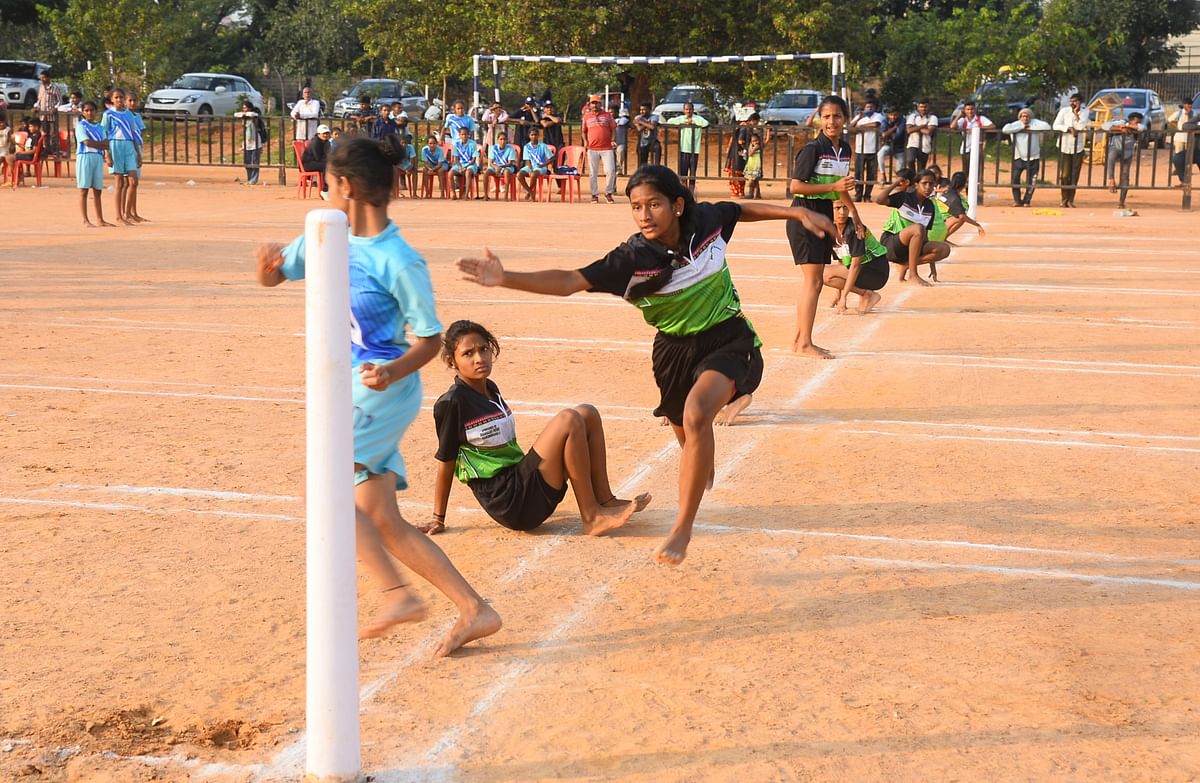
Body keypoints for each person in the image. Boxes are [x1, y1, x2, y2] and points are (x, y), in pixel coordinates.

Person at [455, 165, 835, 565]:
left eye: (653, 204)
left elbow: (738, 209)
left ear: (677, 204)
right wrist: (505, 277)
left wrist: (797, 213)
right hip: (672, 352)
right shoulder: (631, 259)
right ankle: (697, 454)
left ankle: (682, 529)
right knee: (684, 425)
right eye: (636, 207)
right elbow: (569, 280)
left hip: (728, 337)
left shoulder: (706, 221)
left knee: (696, 415)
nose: (644, 215)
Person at [254, 135, 502, 655]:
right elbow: (276, 278)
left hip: (383, 388)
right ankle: (474, 608)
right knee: (380, 515)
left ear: (345, 186)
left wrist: (390, 373)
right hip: (349, 388)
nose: (324, 194)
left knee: (327, 490)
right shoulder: (327, 237)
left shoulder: (398, 259)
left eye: (326, 185)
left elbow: (430, 338)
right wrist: (267, 268)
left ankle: (397, 595)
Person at [428, 320, 652, 536]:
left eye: (484, 349)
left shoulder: (489, 388)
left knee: (588, 413)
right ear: (451, 361)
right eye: (468, 353)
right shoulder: (452, 403)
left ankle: (605, 499)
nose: (479, 358)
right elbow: (446, 463)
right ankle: (591, 516)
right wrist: (439, 517)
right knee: (569, 419)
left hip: (521, 480)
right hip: (508, 500)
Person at [786, 94, 868, 359]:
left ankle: (800, 339)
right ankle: (804, 344)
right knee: (813, 282)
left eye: (837, 116)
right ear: (820, 119)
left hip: (823, 215)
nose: (832, 121)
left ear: (845, 119)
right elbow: (796, 186)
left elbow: (839, 186)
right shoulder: (813, 149)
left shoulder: (844, 149)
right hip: (804, 215)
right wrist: (833, 187)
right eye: (827, 116)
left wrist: (854, 214)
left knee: (816, 282)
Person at [873, 167, 951, 285]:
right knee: (917, 228)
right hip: (891, 245)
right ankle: (913, 275)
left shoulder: (930, 206)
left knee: (944, 249)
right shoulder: (905, 197)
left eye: (931, 184)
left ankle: (906, 265)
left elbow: (925, 237)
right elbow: (879, 200)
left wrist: (932, 264)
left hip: (910, 247)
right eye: (924, 183)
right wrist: (895, 183)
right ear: (916, 184)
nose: (928, 187)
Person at [823, 202, 888, 314]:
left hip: (876, 272)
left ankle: (866, 294)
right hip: (863, 270)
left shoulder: (855, 229)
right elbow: (842, 261)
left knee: (823, 273)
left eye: (845, 208)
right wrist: (838, 294)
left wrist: (844, 297)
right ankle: (866, 294)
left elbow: (855, 266)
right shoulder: (832, 230)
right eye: (837, 208)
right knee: (827, 278)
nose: (842, 212)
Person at [101, 88, 141, 225]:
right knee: (119, 182)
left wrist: (138, 153)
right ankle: (119, 216)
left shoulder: (129, 115)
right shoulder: (108, 115)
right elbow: (104, 134)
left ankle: (127, 213)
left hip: (129, 146)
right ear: (112, 99)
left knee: (133, 181)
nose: (119, 100)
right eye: (116, 97)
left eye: (121, 97)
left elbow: (133, 134)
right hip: (115, 146)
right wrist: (107, 154)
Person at [1002, 108, 1051, 206]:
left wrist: (1031, 129)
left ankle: (1027, 201)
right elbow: (1005, 129)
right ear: (1020, 117)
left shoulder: (1035, 123)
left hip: (1034, 157)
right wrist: (1021, 128)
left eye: (1027, 116)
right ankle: (1017, 200)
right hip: (1019, 156)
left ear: (1030, 117)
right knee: (1015, 179)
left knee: (1031, 181)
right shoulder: (1016, 124)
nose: (1025, 118)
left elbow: (1047, 127)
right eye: (1023, 116)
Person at [74, 101, 112, 227]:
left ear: (96, 111)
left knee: (97, 189)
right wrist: (101, 145)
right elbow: (87, 143)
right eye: (87, 111)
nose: (89, 113)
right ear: (83, 112)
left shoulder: (100, 127)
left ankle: (100, 219)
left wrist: (103, 148)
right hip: (85, 157)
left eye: (92, 110)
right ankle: (85, 220)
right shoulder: (81, 126)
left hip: (97, 157)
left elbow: (106, 143)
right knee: (84, 189)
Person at [1052, 93, 1089, 207]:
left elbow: (1081, 126)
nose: (1073, 103)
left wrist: (1076, 115)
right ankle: (1063, 199)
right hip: (1064, 146)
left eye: (1076, 101)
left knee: (1074, 175)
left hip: (1078, 147)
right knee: (1064, 175)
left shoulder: (1085, 111)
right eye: (1072, 101)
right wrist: (1067, 128)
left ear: (1080, 102)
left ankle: (1071, 200)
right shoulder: (1064, 111)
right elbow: (1056, 125)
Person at [665, 102, 709, 192]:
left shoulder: (697, 118)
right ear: (683, 110)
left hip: (694, 149)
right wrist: (684, 122)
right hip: (684, 148)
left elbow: (705, 123)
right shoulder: (681, 118)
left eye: (690, 109)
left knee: (692, 171)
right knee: (683, 171)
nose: (688, 111)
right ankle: (684, 189)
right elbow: (670, 121)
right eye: (686, 109)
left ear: (693, 110)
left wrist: (693, 121)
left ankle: (691, 190)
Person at [582, 94, 617, 203]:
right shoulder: (586, 117)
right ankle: (594, 194)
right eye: (593, 103)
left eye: (596, 103)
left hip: (607, 148)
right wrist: (585, 142)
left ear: (600, 104)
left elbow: (613, 129)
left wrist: (612, 140)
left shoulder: (607, 115)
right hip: (592, 148)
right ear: (590, 104)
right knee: (593, 173)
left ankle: (609, 192)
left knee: (611, 171)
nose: (595, 105)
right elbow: (583, 131)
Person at [1104, 112, 1143, 209]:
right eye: (1136, 121)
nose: (1137, 123)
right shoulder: (1120, 122)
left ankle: (1121, 201)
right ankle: (1111, 179)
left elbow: (1142, 128)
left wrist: (1127, 127)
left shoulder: (1137, 126)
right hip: (1115, 147)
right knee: (1111, 159)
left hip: (1127, 152)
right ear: (1133, 119)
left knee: (1125, 175)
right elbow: (1105, 126)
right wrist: (1120, 129)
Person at [849, 98, 884, 201]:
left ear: (875, 108)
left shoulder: (878, 116)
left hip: (873, 150)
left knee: (871, 174)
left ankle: (867, 195)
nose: (869, 109)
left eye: (871, 107)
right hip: (860, 150)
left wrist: (860, 127)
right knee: (858, 173)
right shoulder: (860, 118)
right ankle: (858, 195)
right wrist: (858, 118)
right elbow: (850, 128)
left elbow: (875, 124)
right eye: (867, 107)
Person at [952, 101, 994, 181]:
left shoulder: (980, 119)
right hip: (966, 148)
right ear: (964, 110)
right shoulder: (963, 121)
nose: (970, 111)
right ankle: (967, 188)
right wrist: (959, 115)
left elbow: (992, 126)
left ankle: (977, 189)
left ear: (975, 110)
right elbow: (953, 126)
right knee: (966, 171)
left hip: (978, 149)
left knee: (977, 171)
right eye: (967, 109)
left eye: (972, 109)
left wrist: (978, 129)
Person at [939, 171, 985, 241]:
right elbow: (962, 216)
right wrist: (977, 225)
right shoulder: (954, 197)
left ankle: (943, 238)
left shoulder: (949, 192)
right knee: (959, 218)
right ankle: (941, 239)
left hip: (937, 221)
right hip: (938, 225)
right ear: (964, 184)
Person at [125, 93, 148, 223]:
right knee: (129, 182)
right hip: (129, 147)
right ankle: (126, 212)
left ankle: (133, 211)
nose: (132, 103)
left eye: (134, 100)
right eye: (130, 100)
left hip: (138, 146)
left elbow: (139, 131)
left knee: (135, 182)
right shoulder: (125, 115)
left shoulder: (137, 116)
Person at [234, 99, 265, 186]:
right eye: (243, 108)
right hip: (247, 141)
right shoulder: (245, 119)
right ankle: (249, 178)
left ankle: (254, 179)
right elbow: (236, 114)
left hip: (255, 141)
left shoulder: (254, 116)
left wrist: (245, 114)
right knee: (247, 161)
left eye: (246, 108)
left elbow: (252, 114)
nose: (244, 110)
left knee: (255, 161)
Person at [517, 126, 553, 201]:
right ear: (529, 136)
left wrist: (543, 165)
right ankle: (531, 192)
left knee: (533, 174)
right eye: (532, 135)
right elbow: (527, 160)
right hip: (530, 166)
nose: (534, 137)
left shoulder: (543, 146)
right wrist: (530, 169)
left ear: (538, 135)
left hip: (541, 167)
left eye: (535, 135)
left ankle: (529, 192)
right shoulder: (526, 146)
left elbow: (552, 158)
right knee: (519, 175)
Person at [1168, 99, 1197, 185]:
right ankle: (1182, 180)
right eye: (1188, 104)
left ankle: (1187, 178)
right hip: (1179, 138)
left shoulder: (1194, 113)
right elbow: (1169, 120)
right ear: (1184, 105)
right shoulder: (1179, 113)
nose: (1189, 106)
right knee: (1179, 159)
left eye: (1190, 105)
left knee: (1188, 158)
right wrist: (1178, 127)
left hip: (1190, 138)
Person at [449, 124, 481, 199]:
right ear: (459, 135)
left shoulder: (472, 144)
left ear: (468, 135)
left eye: (466, 134)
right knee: (450, 173)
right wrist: (460, 167)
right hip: (460, 164)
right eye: (462, 134)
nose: (464, 136)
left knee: (468, 172)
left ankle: (466, 194)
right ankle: (454, 194)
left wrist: (465, 167)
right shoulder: (456, 144)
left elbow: (473, 160)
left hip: (470, 164)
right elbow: (456, 159)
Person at [482, 130, 517, 199]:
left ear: (507, 140)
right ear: (497, 140)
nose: (503, 141)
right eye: (501, 139)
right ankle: (485, 195)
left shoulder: (510, 149)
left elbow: (510, 163)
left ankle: (506, 195)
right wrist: (496, 167)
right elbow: (491, 162)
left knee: (506, 172)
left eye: (504, 139)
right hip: (495, 166)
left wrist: (500, 167)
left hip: (507, 167)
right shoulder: (493, 148)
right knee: (486, 172)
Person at [905, 98, 937, 170]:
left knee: (921, 167)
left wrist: (915, 127)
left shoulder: (933, 117)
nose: (923, 109)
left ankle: (919, 179)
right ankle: (912, 177)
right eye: (921, 107)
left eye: (925, 107)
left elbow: (929, 132)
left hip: (925, 145)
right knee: (910, 160)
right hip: (912, 143)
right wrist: (923, 126)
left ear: (929, 107)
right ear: (918, 107)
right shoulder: (913, 116)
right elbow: (909, 130)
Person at [36, 71, 63, 154]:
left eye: (43, 78)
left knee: (53, 133)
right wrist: (36, 107)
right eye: (41, 78)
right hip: (43, 115)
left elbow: (60, 101)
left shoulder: (55, 88)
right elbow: (39, 100)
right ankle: (47, 149)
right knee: (45, 133)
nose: (42, 80)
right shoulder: (41, 88)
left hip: (52, 116)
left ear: (48, 78)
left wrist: (55, 108)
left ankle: (54, 149)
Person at [302, 124, 332, 195]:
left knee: (331, 165)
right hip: (308, 164)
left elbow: (327, 155)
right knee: (327, 166)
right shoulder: (315, 142)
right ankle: (325, 190)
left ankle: (331, 188)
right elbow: (317, 157)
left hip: (317, 162)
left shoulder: (327, 142)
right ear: (318, 134)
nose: (325, 135)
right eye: (324, 133)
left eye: (327, 133)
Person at [878, 106, 906, 181]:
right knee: (880, 154)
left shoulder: (902, 120)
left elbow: (898, 135)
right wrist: (894, 128)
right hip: (888, 145)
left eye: (895, 115)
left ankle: (897, 181)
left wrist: (888, 132)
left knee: (900, 166)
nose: (893, 117)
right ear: (888, 115)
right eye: (891, 115)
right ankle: (883, 175)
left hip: (899, 147)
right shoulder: (885, 120)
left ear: (898, 114)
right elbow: (883, 134)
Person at [633, 102, 662, 168]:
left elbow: (652, 127)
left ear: (649, 110)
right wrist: (647, 124)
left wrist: (641, 122)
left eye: (644, 110)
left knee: (658, 148)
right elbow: (639, 129)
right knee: (642, 162)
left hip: (653, 141)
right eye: (641, 110)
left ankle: (657, 168)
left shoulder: (654, 116)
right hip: (642, 142)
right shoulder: (638, 117)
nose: (641, 112)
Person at [743, 134, 763, 199]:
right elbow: (749, 153)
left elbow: (750, 154)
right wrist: (753, 148)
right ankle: (752, 194)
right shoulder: (751, 146)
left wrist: (768, 132)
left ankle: (756, 194)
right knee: (752, 180)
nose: (755, 142)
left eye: (757, 140)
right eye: (753, 141)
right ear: (751, 142)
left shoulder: (758, 147)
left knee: (755, 180)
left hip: (756, 165)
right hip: (750, 165)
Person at [613, 101, 630, 174]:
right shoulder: (607, 119)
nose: (611, 114)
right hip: (610, 142)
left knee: (620, 151)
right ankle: (612, 169)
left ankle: (619, 170)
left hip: (620, 142)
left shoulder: (623, 119)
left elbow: (623, 122)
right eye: (609, 112)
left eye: (612, 112)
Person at [0, 115, 15, 187]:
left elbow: (11, 140)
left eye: (2, 123)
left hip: (5, 149)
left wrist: (13, 144)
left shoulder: (7, 130)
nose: (0, 124)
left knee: (0, 158)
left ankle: (13, 178)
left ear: (5, 122)